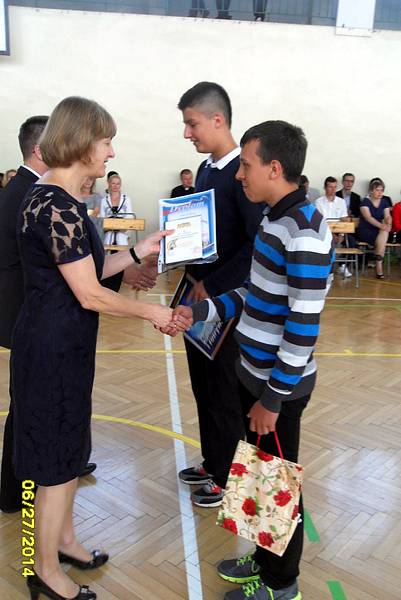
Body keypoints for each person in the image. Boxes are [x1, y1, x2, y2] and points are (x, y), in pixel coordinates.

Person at [11, 96, 188, 600]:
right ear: (82, 142)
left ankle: (64, 540)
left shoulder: (59, 198)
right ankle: (44, 570)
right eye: (106, 141)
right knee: (53, 459)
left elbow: (87, 271)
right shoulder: (55, 205)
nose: (111, 152)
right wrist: (154, 313)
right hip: (51, 347)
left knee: (68, 449)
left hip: (64, 343)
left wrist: (137, 250)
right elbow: (89, 293)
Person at [171, 120, 334, 600]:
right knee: (258, 475)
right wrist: (202, 310)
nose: (240, 175)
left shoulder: (305, 231)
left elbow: (302, 326)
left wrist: (273, 399)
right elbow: (253, 293)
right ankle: (263, 559)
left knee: (279, 482)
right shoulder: (272, 220)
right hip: (252, 373)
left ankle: (282, 583)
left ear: (274, 168)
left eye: (246, 165)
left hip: (276, 387)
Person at [0, 116, 97, 515]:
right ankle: (23, 491)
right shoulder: (40, 196)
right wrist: (154, 311)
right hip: (37, 319)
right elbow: (71, 277)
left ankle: (32, 485)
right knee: (32, 418)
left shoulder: (32, 190)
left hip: (37, 316)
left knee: (31, 414)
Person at [176, 81, 264, 507]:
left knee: (225, 392)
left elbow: (253, 246)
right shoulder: (208, 169)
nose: (187, 133)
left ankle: (229, 477)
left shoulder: (241, 175)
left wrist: (212, 284)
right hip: (199, 301)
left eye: (192, 123)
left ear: (217, 119)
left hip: (227, 306)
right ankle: (214, 461)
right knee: (204, 387)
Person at [357, 180, 392, 279]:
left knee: (384, 233)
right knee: (383, 234)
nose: (380, 193)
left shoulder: (384, 202)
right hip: (366, 230)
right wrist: (382, 226)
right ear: (371, 191)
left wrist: (389, 223)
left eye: (381, 190)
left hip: (379, 230)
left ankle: (377, 260)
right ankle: (378, 266)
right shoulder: (365, 202)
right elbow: (368, 218)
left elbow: (387, 216)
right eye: (377, 190)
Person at [100, 173, 134, 246]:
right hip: (108, 230)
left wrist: (121, 227)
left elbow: (130, 216)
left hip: (123, 230)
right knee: (108, 239)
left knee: (120, 239)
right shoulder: (104, 200)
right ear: (109, 184)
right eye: (113, 183)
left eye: (118, 184)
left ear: (120, 185)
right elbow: (102, 217)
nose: (115, 186)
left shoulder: (126, 199)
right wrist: (109, 226)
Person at [80, 176, 104, 240]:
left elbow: (96, 212)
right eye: (86, 179)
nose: (88, 182)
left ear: (93, 182)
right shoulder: (75, 196)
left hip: (93, 225)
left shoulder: (97, 196)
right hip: (78, 224)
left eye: (90, 180)